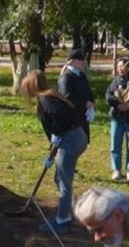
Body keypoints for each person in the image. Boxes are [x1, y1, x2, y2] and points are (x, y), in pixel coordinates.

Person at [19, 70, 86, 234]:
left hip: (70, 140)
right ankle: (71, 210)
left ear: (31, 87)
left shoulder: (45, 99)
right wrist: (53, 148)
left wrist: (56, 135)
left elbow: (61, 119)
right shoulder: (52, 95)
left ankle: (63, 220)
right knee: (60, 178)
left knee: (63, 180)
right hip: (76, 137)